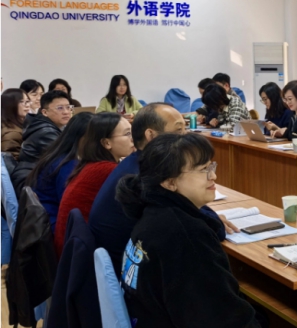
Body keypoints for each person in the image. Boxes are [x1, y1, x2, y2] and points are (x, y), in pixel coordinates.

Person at [115, 133, 274, 328]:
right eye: (203, 170)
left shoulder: (153, 214)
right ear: (170, 182)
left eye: (211, 166)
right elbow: (222, 323)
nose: (214, 176)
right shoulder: (183, 234)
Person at [90, 103, 234, 271]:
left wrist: (206, 215)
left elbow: (188, 207)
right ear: (151, 135)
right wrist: (211, 219)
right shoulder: (149, 176)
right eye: (178, 130)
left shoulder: (136, 163)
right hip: (134, 269)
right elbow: (212, 228)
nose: (185, 136)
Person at [54, 113, 135, 253]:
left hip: (73, 246)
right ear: (106, 143)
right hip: (79, 252)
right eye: (127, 134)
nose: (133, 138)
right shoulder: (107, 170)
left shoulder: (94, 164)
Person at [24, 112, 94, 234]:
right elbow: (71, 204)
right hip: (54, 227)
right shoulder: (68, 164)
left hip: (49, 221)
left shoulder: (61, 155)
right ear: (82, 138)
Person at [11, 90, 73, 193]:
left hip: (39, 175)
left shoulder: (54, 127)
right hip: (29, 181)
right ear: (44, 112)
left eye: (68, 107)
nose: (66, 112)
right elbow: (66, 157)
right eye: (60, 108)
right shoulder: (45, 132)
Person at [1, 88, 31, 160]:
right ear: (10, 105)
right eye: (22, 102)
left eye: (27, 101)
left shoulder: (20, 124)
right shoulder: (12, 133)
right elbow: (11, 162)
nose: (27, 105)